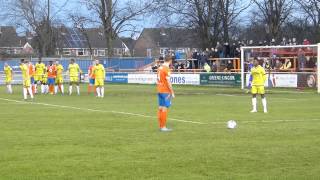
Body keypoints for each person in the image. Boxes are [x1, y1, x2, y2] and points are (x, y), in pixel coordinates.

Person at [157, 55, 175, 132]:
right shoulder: (166, 69)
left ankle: (161, 126)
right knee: (164, 108)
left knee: (160, 108)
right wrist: (172, 92)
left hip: (159, 89)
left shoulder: (160, 68)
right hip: (165, 91)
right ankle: (163, 127)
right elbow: (168, 82)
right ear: (170, 60)